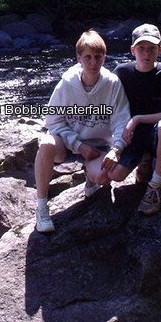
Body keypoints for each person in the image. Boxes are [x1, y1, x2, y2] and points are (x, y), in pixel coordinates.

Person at [34, 30, 130, 233]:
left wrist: (117, 149)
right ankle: (41, 206)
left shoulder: (112, 83)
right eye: (88, 57)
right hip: (68, 144)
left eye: (98, 57)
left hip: (98, 145)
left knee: (104, 177)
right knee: (46, 144)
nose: (93, 63)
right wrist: (78, 145)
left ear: (104, 57)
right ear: (79, 58)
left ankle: (90, 178)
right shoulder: (67, 84)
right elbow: (53, 121)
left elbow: (122, 121)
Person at [107, 23, 161, 216]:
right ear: (133, 50)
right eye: (141, 48)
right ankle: (145, 162)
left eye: (151, 48)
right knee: (115, 175)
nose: (146, 54)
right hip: (131, 138)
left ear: (160, 49)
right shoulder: (122, 73)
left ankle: (156, 186)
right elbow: (110, 108)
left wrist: (138, 119)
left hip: (157, 135)